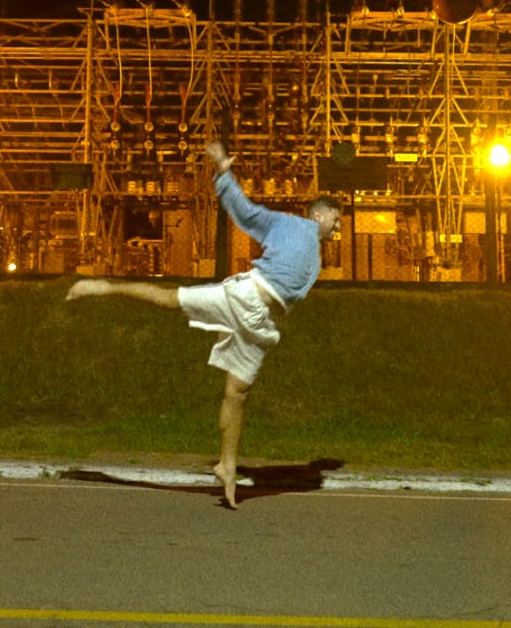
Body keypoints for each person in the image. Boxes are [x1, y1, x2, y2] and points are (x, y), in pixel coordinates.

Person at [65, 140, 341, 508]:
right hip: (244, 297)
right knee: (170, 300)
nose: (338, 226)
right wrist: (224, 172)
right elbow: (246, 212)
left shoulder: (315, 254)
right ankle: (104, 287)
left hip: (261, 324)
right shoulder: (291, 225)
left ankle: (227, 464)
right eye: (336, 219)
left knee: (237, 393)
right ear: (320, 216)